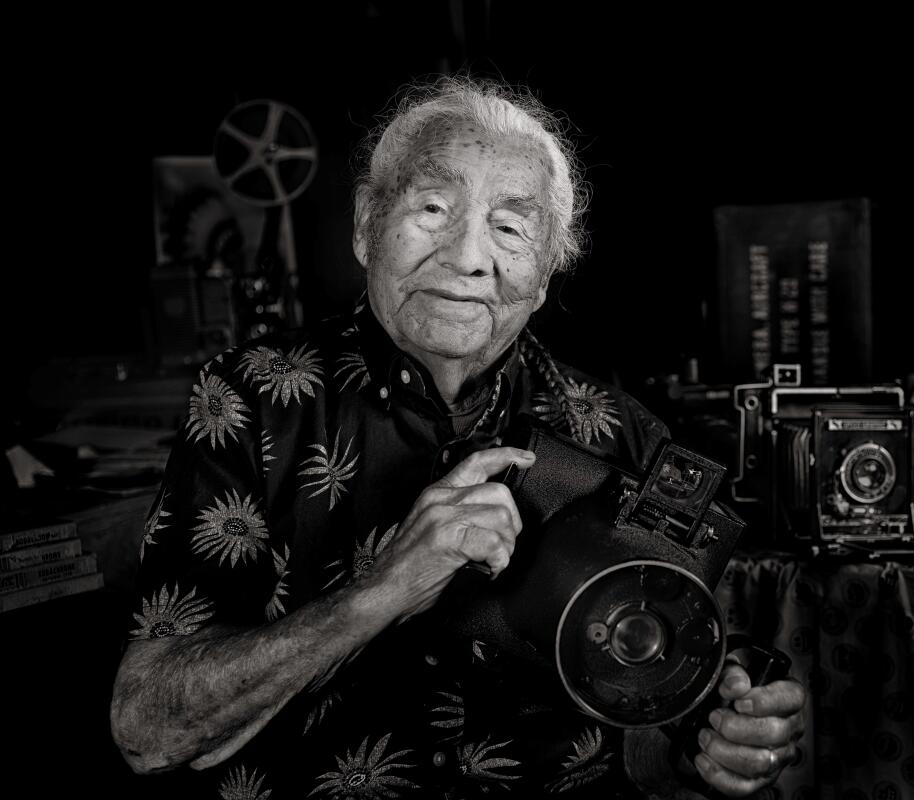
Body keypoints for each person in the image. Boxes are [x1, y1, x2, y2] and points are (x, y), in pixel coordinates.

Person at [110, 76, 806, 799]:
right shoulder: (253, 402)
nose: (468, 257)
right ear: (365, 225)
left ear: (545, 273)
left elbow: (654, 722)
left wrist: (715, 741)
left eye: (510, 227)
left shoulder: (620, 435)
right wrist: (384, 589)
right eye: (433, 208)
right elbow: (148, 732)